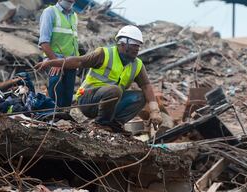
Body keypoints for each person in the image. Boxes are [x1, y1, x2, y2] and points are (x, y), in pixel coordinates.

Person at [35, 25, 163, 132]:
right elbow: (79, 62)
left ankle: (114, 124)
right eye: (134, 44)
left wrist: (154, 110)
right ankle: (101, 124)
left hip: (111, 103)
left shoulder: (137, 65)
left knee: (140, 96)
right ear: (122, 43)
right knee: (114, 90)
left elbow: (146, 86)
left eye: (138, 45)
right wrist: (52, 62)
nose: (137, 48)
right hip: (88, 100)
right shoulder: (104, 54)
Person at [38, 0, 79, 107]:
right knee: (56, 93)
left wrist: (76, 62)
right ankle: (52, 118)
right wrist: (56, 62)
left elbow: (73, 42)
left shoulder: (74, 15)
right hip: (54, 60)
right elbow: (44, 42)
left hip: (70, 63)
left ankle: (63, 121)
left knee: (67, 100)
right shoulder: (50, 12)